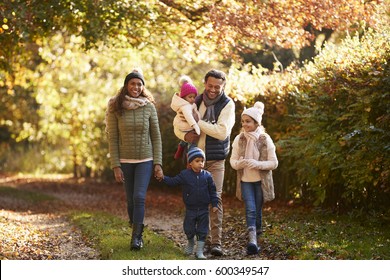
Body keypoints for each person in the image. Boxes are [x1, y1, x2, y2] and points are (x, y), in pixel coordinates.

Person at [174, 69, 235, 256]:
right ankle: (195, 240)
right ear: (205, 84)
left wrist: (197, 123)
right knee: (193, 200)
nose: (213, 89)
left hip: (215, 159)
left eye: (218, 86)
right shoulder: (195, 100)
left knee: (215, 198)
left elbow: (222, 132)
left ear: (223, 86)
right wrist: (185, 133)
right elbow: (177, 125)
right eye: (210, 85)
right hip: (193, 158)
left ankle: (216, 242)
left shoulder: (227, 104)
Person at [105, 68, 163, 251]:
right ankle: (134, 224)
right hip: (125, 161)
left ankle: (136, 238)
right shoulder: (115, 107)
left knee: (139, 197)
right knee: (130, 201)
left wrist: (158, 163)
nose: (136, 87)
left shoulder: (149, 107)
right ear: (126, 85)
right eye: (132, 83)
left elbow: (156, 137)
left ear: (143, 87)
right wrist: (116, 165)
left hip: (145, 159)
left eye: (139, 84)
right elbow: (112, 138)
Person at [229, 101, 278, 255]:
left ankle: (257, 235)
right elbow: (232, 161)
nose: (244, 124)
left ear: (257, 122)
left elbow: (274, 163)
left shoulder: (265, 139)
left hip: (261, 182)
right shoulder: (239, 139)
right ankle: (252, 241)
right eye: (243, 121)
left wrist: (257, 164)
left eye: (248, 121)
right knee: (250, 209)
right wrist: (239, 164)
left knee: (257, 210)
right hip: (245, 181)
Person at [157, 147, 218, 259]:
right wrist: (163, 178)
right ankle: (190, 243)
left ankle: (199, 251)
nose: (200, 163)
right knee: (189, 228)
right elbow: (173, 181)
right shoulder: (185, 175)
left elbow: (213, 191)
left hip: (204, 209)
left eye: (202, 161)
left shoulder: (207, 176)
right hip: (191, 209)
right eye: (197, 161)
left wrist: (215, 204)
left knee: (203, 230)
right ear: (190, 163)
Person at [171, 75, 201, 160]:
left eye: (194, 97)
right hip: (190, 128)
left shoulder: (192, 102)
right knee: (192, 145)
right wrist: (195, 124)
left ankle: (181, 146)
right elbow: (189, 118)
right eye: (190, 97)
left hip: (187, 128)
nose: (192, 99)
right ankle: (188, 156)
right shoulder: (185, 106)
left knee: (188, 141)